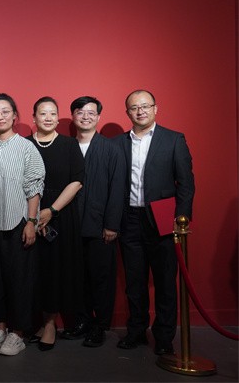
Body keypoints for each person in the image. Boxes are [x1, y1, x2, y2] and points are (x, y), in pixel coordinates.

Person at [115, 89, 194, 356]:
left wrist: (181, 219)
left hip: (163, 217)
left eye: (145, 106)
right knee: (134, 281)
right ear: (128, 112)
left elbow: (186, 184)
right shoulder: (118, 143)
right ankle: (136, 331)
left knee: (165, 281)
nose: (140, 111)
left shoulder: (173, 139)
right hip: (129, 219)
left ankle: (163, 337)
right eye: (134, 108)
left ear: (155, 108)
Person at [0, 93, 45, 357]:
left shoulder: (27, 148)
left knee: (20, 280)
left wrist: (31, 222)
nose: (0, 116)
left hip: (18, 223)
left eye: (5, 111)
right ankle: (0, 328)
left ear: (15, 116)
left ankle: (18, 333)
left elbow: (34, 187)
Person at [63, 96, 126, 347]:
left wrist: (112, 225)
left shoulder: (111, 149)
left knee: (101, 279)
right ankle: (81, 321)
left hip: (100, 226)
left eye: (91, 112)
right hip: (70, 226)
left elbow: (118, 189)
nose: (85, 116)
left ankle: (100, 326)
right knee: (76, 278)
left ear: (98, 117)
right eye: (80, 112)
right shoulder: (67, 147)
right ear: (73, 117)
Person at [25, 97, 84, 351]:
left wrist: (52, 210)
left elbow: (77, 181)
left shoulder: (69, 144)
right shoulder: (25, 145)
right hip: (29, 214)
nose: (48, 118)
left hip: (60, 214)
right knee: (36, 270)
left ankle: (50, 324)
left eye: (52, 114)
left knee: (56, 270)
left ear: (58, 118)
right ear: (34, 117)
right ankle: (42, 320)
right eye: (43, 113)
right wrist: (34, 215)